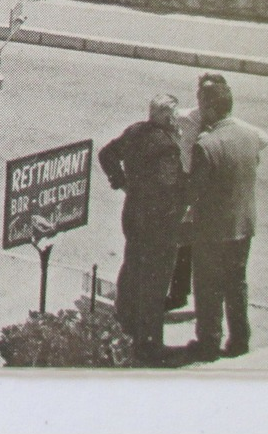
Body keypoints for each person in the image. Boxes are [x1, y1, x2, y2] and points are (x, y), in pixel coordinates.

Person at [98, 93, 185, 364]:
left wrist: (121, 182)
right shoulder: (167, 146)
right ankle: (150, 344)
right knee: (155, 282)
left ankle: (123, 325)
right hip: (157, 220)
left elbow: (107, 154)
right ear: (169, 117)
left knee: (132, 264)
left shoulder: (135, 131)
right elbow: (169, 186)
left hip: (133, 211)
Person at [187, 78, 268, 360]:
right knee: (237, 283)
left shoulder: (206, 145)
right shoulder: (250, 136)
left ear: (209, 108)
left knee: (208, 286)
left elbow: (195, 192)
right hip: (243, 224)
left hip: (212, 230)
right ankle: (240, 340)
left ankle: (209, 342)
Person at [166, 72, 229, 310]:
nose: (206, 99)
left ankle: (209, 300)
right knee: (183, 243)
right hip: (187, 186)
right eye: (203, 93)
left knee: (209, 247)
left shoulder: (226, 123)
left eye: (212, 94)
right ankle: (179, 293)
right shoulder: (184, 118)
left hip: (212, 189)